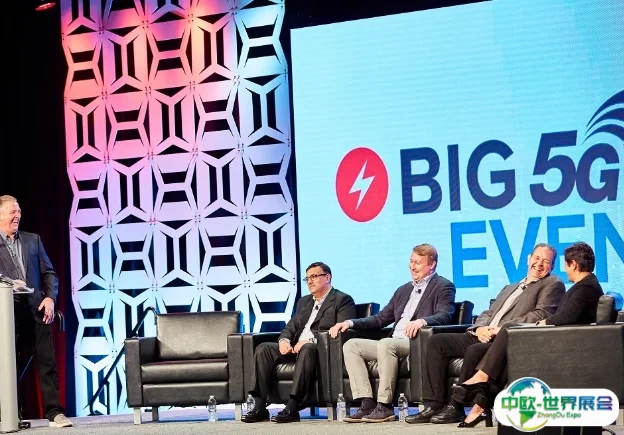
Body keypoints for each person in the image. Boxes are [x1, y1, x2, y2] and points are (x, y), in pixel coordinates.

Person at [406, 243, 565, 425]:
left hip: (505, 339)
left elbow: (540, 314)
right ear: (528, 259)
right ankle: (435, 404)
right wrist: (480, 328)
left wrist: (500, 329)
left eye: (546, 261)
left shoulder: (552, 284)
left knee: (474, 351)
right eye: (536, 258)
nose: (539, 264)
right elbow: (488, 313)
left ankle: (456, 406)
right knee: (437, 342)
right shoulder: (510, 287)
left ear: (552, 266)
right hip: (483, 334)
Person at [454, 242, 604, 428]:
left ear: (573, 264)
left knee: (509, 331)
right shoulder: (585, 286)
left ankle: (481, 380)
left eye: (565, 265)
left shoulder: (584, 288)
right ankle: (478, 404)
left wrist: (542, 323)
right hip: (563, 339)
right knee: (494, 351)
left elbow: (567, 317)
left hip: (565, 345)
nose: (565, 270)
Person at [329, 244, 456, 423]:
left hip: (415, 342)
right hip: (393, 342)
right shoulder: (403, 289)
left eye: (418, 263)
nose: (412, 267)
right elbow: (380, 319)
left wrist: (422, 321)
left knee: (386, 344)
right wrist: (349, 322)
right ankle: (367, 402)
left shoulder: (443, 286)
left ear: (431, 265)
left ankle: (385, 405)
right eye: (411, 261)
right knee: (352, 345)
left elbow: (445, 315)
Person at [242, 262, 356, 423]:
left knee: (307, 348)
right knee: (263, 349)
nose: (310, 281)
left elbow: (342, 332)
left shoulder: (342, 300)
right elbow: (292, 325)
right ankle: (259, 406)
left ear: (327, 277)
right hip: (296, 347)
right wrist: (284, 341)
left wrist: (310, 340)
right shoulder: (304, 302)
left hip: (320, 350)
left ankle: (293, 406)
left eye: (314, 276)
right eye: (307, 278)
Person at [0, 195, 72, 428]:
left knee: (47, 362)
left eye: (19, 211)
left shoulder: (33, 240)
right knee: (10, 366)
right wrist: (8, 284)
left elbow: (49, 273)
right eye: (12, 212)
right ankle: (11, 414)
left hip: (37, 309)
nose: (17, 216)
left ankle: (55, 412)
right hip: (8, 314)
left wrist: (50, 297)